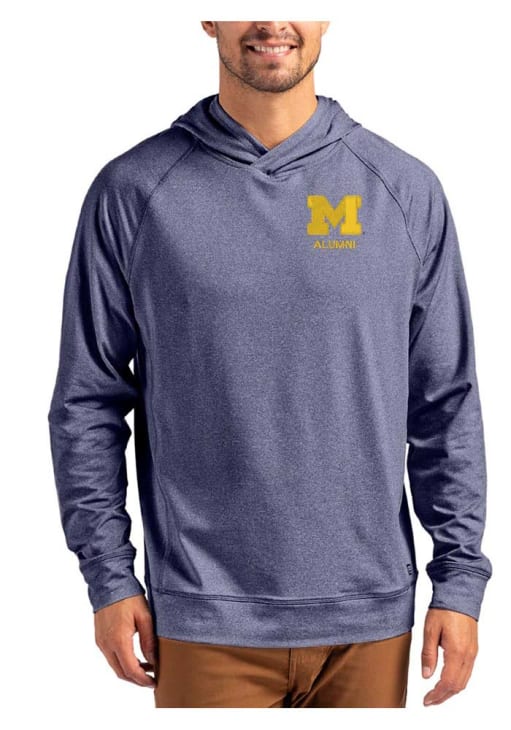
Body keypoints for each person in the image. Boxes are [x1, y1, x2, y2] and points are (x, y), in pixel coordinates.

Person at [47, 20, 493, 708]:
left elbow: (444, 401)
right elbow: (87, 400)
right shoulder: (133, 191)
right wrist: (109, 578)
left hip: (369, 617)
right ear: (208, 17)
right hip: (202, 612)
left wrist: (458, 581)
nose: (271, 21)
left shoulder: (403, 189)